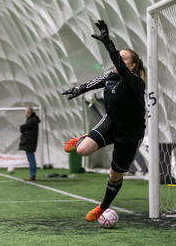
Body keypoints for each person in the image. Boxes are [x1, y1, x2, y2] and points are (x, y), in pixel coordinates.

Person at [62, 20, 146, 222]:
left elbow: (120, 67)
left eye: (124, 59)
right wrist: (78, 89)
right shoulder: (111, 76)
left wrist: (108, 44)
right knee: (82, 150)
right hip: (111, 123)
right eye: (120, 57)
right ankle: (84, 137)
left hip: (129, 135)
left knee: (115, 176)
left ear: (132, 66)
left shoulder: (135, 82)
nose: (119, 61)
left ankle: (102, 207)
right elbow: (95, 82)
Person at [18, 107, 40, 181]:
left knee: (31, 159)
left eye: (26, 112)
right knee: (30, 158)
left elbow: (24, 128)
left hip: (30, 142)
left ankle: (32, 175)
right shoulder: (33, 120)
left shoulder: (32, 120)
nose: (25, 114)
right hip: (30, 142)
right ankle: (32, 175)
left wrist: (22, 128)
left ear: (29, 113)